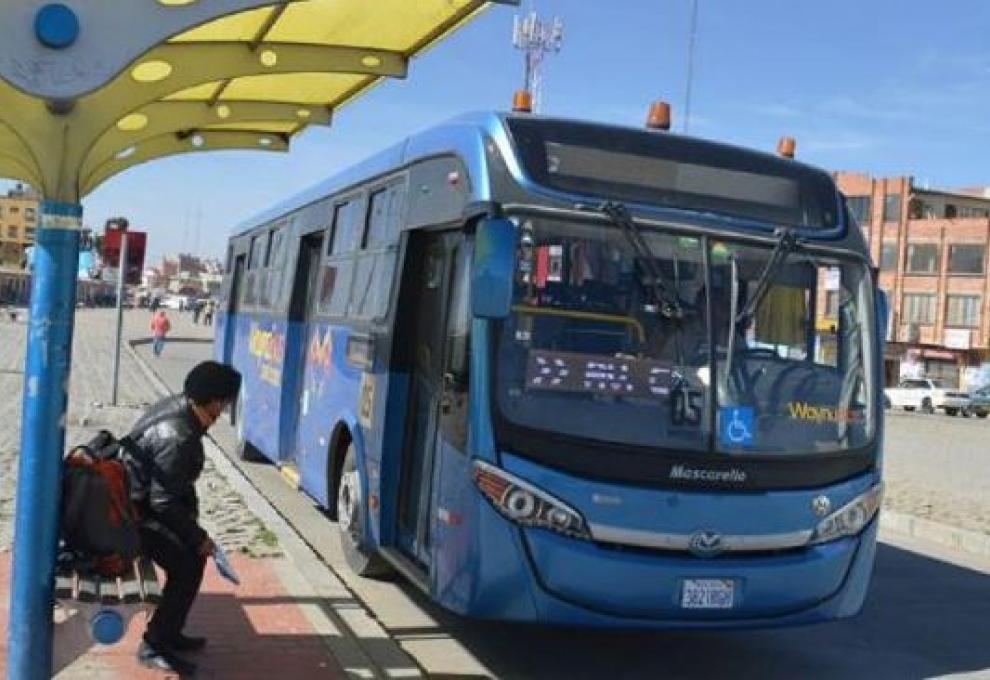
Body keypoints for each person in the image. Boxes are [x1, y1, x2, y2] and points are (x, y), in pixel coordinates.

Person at [129, 361, 242, 676]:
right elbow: (162, 501)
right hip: (132, 517)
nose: (225, 410)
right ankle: (154, 644)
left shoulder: (181, 410)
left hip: (138, 506)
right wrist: (199, 537)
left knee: (191, 558)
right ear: (214, 401)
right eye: (225, 402)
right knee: (189, 562)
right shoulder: (178, 435)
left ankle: (169, 631)